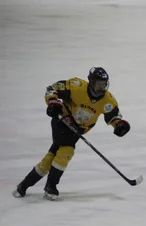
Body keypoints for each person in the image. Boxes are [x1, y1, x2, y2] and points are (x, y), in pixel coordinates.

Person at [12, 67, 130, 200]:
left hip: (77, 131)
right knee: (66, 151)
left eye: (104, 84)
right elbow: (52, 89)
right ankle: (50, 186)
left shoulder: (108, 100)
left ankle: (23, 186)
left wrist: (119, 124)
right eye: (99, 83)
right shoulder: (76, 86)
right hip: (62, 122)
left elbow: (113, 116)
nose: (102, 87)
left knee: (51, 158)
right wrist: (52, 101)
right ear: (91, 81)